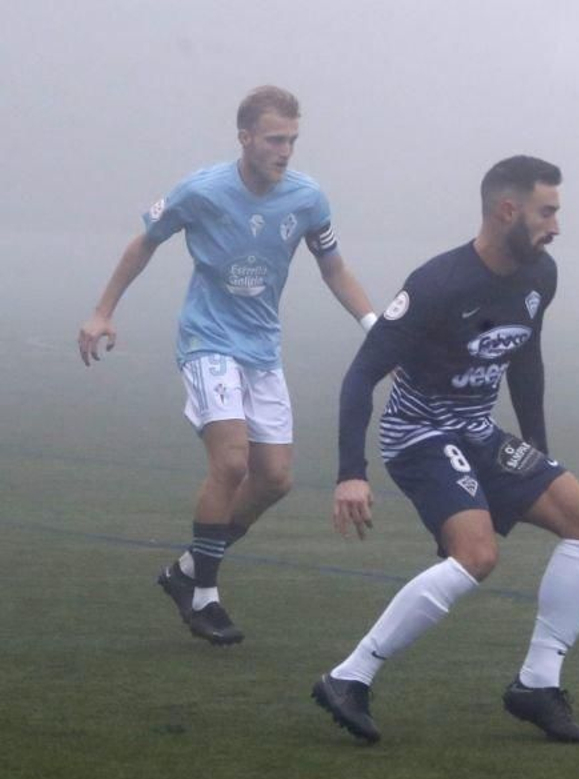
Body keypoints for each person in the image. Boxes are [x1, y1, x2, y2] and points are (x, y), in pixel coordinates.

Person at [311, 155, 579, 746]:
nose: (557, 225)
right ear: (508, 210)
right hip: (419, 434)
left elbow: (525, 359)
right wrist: (351, 473)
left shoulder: (540, 276)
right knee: (476, 556)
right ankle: (350, 676)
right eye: (547, 211)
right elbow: (360, 376)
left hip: (478, 430)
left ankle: (537, 685)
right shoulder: (437, 283)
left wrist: (540, 456)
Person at [76, 86, 377, 646]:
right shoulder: (203, 190)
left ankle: (186, 571)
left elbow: (333, 267)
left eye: (291, 140)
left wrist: (374, 325)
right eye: (273, 139)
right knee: (232, 464)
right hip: (207, 340)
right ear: (244, 138)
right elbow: (145, 242)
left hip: (262, 350)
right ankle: (205, 595)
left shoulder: (308, 198)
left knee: (276, 479)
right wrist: (101, 311)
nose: (284, 150)